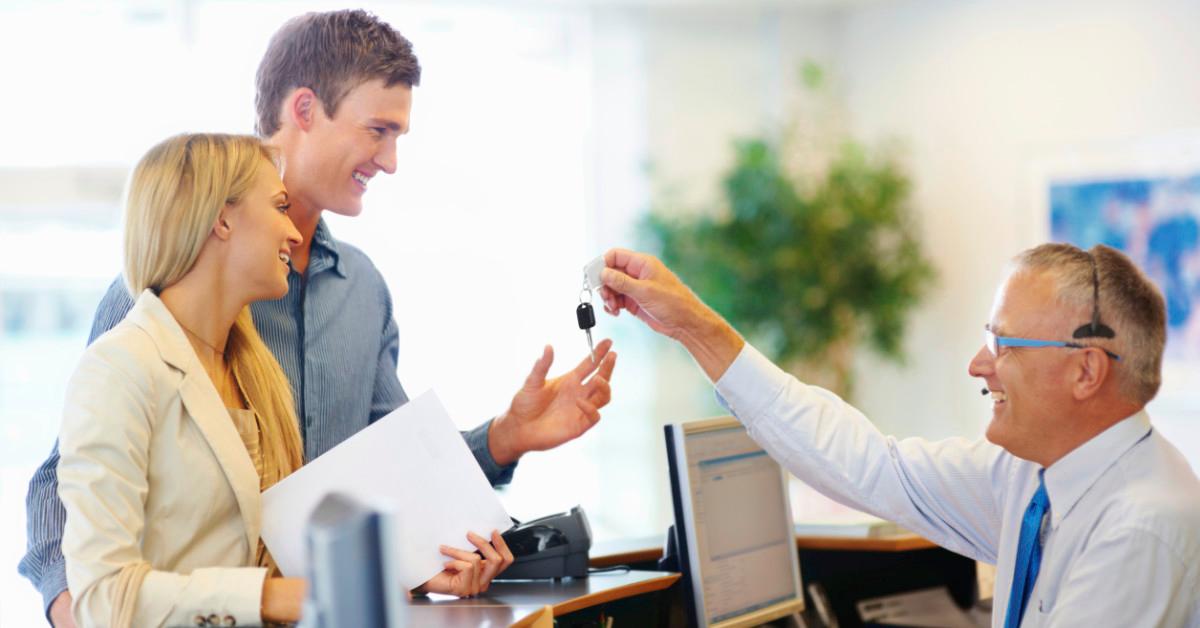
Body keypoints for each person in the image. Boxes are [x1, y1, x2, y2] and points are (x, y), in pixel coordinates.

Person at [20, 10, 616, 627]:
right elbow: (64, 493)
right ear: (304, 110)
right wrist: (84, 609)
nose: (389, 161)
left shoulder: (362, 289)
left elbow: (394, 470)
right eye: (377, 130)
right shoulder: (168, 293)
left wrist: (505, 438)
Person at [599, 244, 1200, 626]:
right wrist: (697, 329)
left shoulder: (1140, 526)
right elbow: (870, 466)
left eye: (1004, 345)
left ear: (1086, 371)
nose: (978, 364)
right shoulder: (1036, 478)